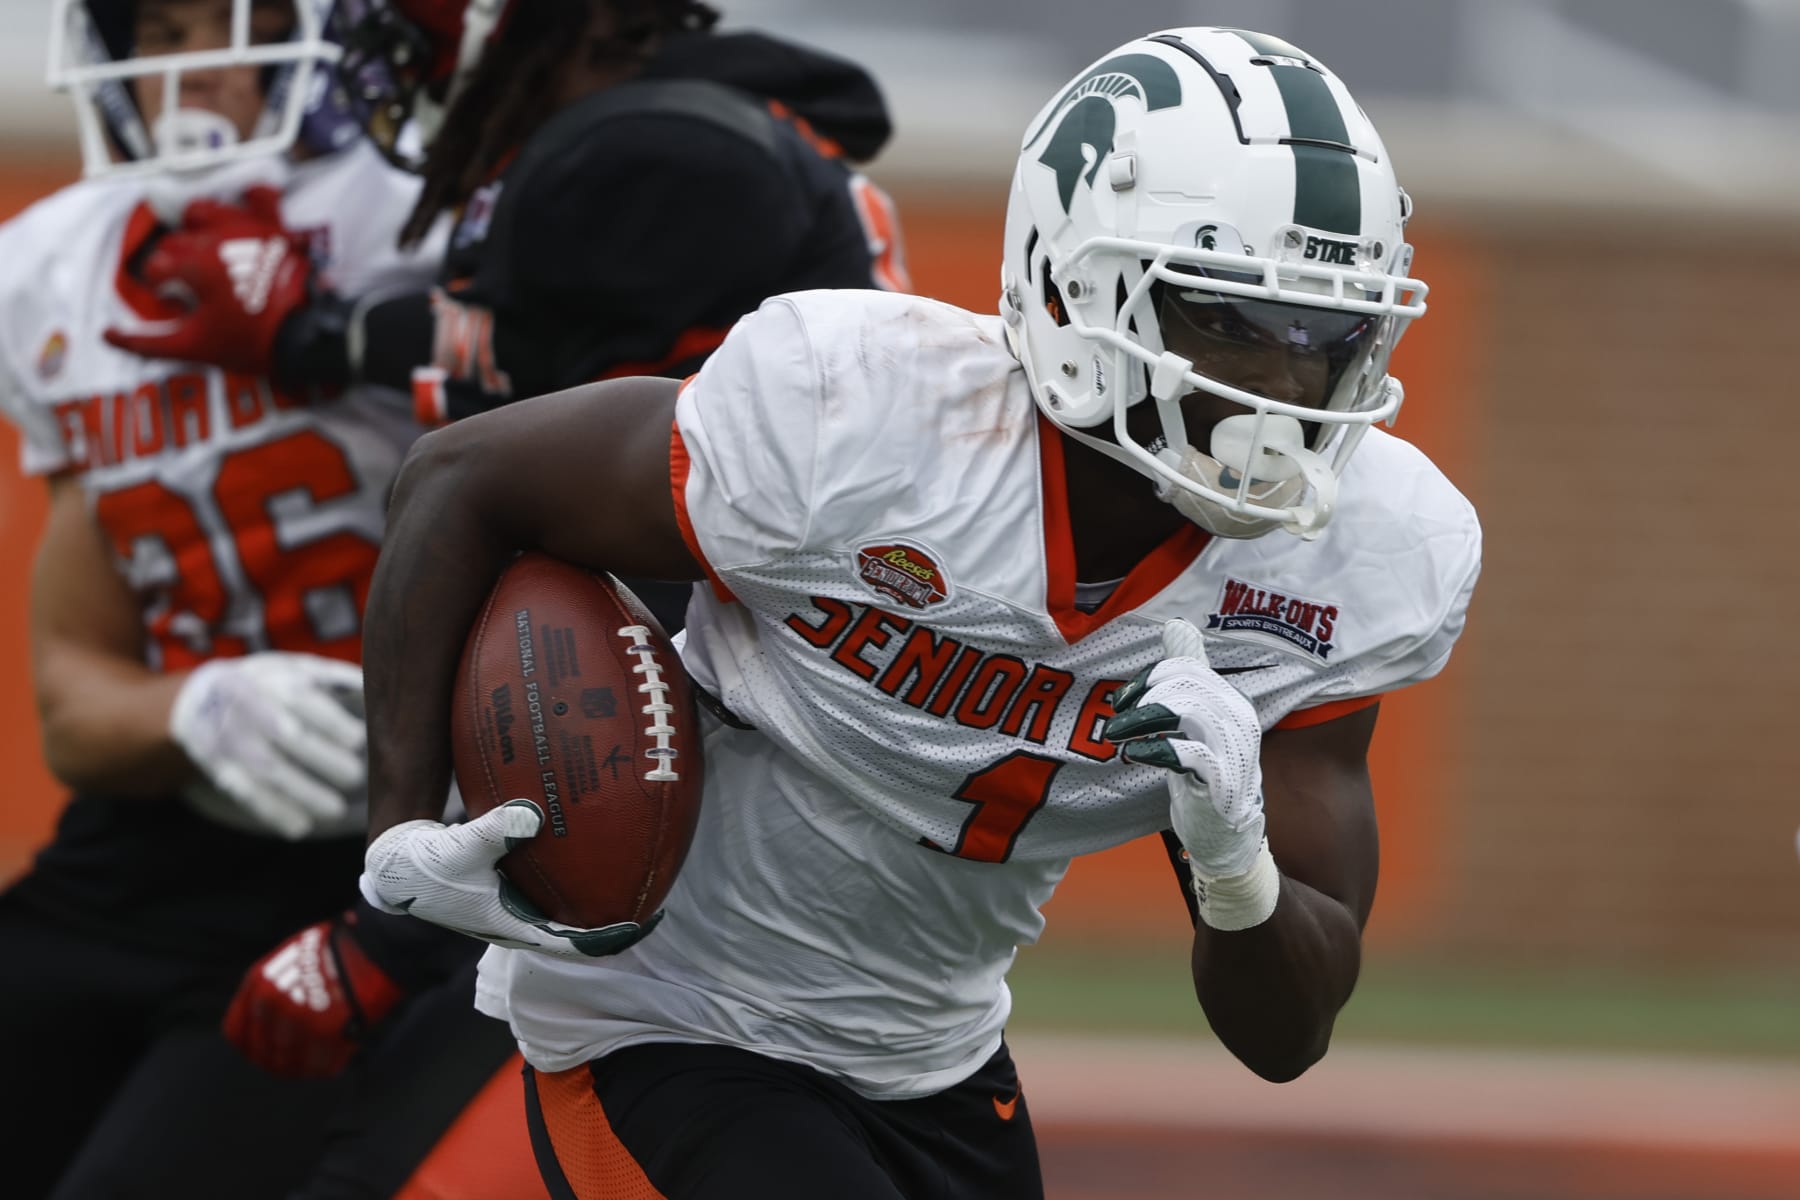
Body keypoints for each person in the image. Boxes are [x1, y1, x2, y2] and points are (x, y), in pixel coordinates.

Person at [356, 25, 1481, 1199]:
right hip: (668, 1018)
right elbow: (463, 479)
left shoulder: (1351, 562)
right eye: (1228, 319)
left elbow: (1285, 1040)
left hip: (934, 1056)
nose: (1285, 386)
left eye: (1327, 334)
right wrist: (396, 821)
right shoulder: (865, 420)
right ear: (1069, 285)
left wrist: (1234, 860)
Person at [71, 1, 909, 1193]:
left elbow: (629, 595)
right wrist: (317, 338)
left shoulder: (638, 156)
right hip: (772, 760)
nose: (386, 54)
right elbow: (539, 355)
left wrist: (386, 933)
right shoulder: (678, 127)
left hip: (719, 813)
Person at [0, 1, 544, 1195]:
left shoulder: (426, 212)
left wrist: (342, 335)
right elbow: (73, 703)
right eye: (156, 28)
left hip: (379, 854)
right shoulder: (55, 265)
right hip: (148, 847)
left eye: (231, 20)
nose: (194, 66)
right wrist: (193, 711)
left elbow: (587, 382)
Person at [109, 0, 910, 634]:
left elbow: (529, 377)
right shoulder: (662, 117)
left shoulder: (641, 145)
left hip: (777, 605)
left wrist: (311, 331)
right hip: (788, 570)